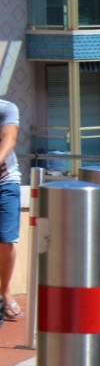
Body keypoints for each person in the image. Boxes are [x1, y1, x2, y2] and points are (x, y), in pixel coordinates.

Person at [0, 98, 20, 323]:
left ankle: (4, 291)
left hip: (5, 183)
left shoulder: (6, 108)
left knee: (5, 240)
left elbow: (9, 138)